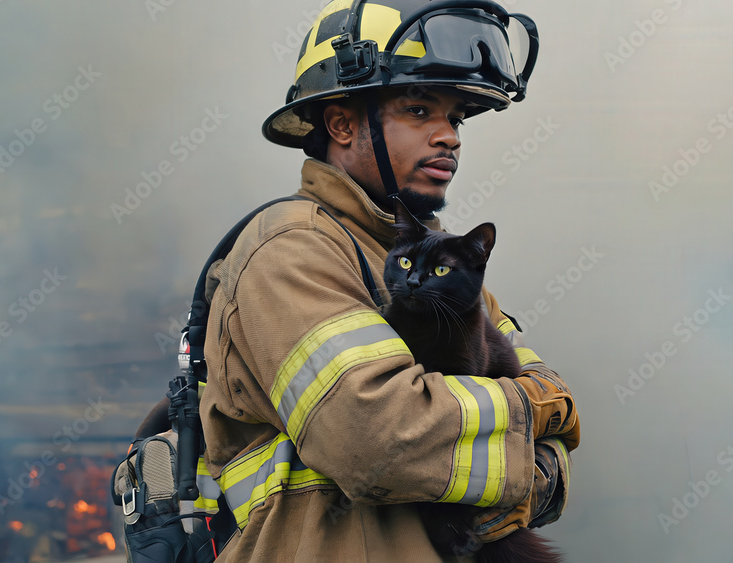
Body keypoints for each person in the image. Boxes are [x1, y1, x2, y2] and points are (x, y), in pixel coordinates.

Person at [197, 1, 581, 560]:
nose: (449, 137)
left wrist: (526, 441)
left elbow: (556, 433)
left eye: (456, 118)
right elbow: (375, 440)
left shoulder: (431, 257)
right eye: (421, 110)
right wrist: (529, 420)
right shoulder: (292, 249)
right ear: (343, 124)